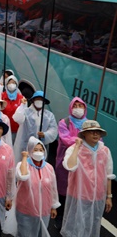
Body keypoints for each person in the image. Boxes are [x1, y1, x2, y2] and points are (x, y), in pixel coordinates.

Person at [61, 120, 114, 237]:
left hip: (98, 196)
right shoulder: (74, 149)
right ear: (84, 134)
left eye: (98, 132)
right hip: (80, 195)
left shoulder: (105, 151)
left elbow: (108, 174)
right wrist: (76, 147)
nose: (95, 134)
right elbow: (70, 166)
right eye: (91, 132)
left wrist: (109, 196)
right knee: (77, 224)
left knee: (94, 223)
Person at [15, 136, 60, 237]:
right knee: (25, 234)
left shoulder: (49, 168)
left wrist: (53, 206)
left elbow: (53, 188)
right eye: (35, 149)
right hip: (26, 210)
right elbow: (22, 176)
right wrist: (25, 158)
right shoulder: (22, 165)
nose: (38, 152)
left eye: (41, 149)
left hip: (44, 211)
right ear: (30, 151)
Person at [54, 97, 88, 227]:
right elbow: (65, 139)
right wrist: (83, 141)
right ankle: (59, 216)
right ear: (71, 107)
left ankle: (72, 218)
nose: (78, 108)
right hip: (64, 161)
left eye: (81, 106)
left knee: (77, 190)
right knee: (63, 189)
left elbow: (98, 141)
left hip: (83, 163)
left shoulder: (89, 124)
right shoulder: (65, 122)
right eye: (76, 105)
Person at [13, 91, 58, 162]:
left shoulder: (49, 116)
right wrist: (22, 106)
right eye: (37, 99)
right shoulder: (26, 112)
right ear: (33, 100)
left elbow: (53, 130)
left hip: (39, 148)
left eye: (41, 99)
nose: (39, 101)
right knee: (22, 164)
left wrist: (45, 135)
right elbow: (17, 118)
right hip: (24, 146)